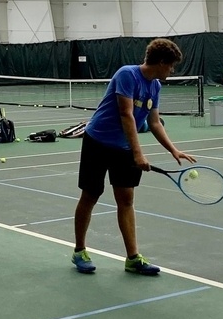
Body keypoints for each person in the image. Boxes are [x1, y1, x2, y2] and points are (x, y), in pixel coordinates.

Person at [71, 38, 196, 275]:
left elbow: (154, 122)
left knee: (126, 200)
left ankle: (132, 258)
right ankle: (79, 250)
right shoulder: (127, 75)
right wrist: (138, 154)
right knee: (90, 195)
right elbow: (126, 115)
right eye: (171, 66)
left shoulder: (155, 87)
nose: (172, 70)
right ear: (160, 62)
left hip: (124, 148)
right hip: (97, 142)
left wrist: (173, 149)